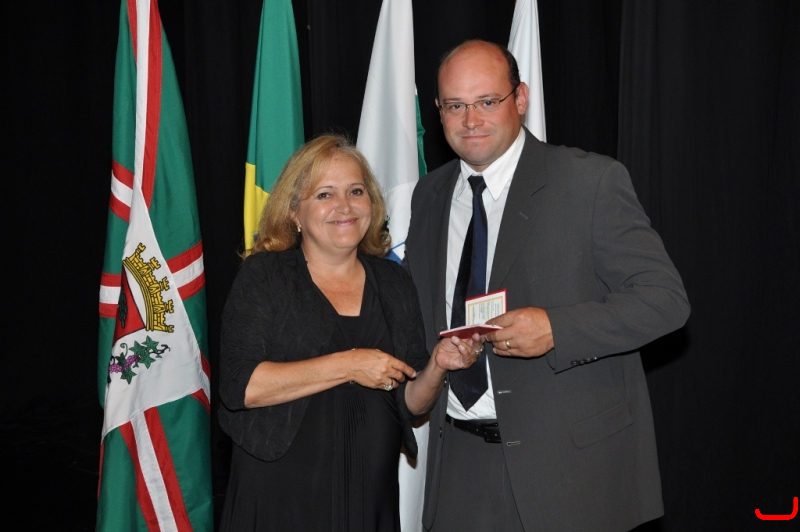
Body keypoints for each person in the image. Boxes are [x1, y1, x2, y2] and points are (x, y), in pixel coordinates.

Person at [403, 41, 691, 532]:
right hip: (459, 472)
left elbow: (665, 301)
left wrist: (557, 328)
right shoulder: (429, 195)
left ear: (520, 98)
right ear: (438, 110)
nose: (471, 120)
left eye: (487, 101)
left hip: (571, 476)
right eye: (455, 105)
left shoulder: (589, 181)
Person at [218, 134, 479, 532]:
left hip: (369, 498)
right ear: (294, 212)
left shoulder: (393, 281)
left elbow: (411, 403)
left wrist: (438, 366)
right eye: (325, 194)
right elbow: (241, 387)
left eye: (356, 191)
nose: (344, 206)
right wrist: (350, 365)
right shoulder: (265, 276)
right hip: (280, 500)